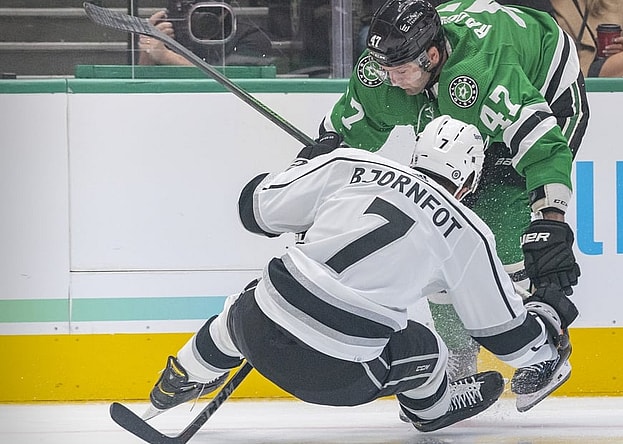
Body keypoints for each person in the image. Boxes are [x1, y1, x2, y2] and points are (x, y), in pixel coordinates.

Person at [141, 116, 578, 434]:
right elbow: (504, 335)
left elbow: (253, 210)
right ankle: (433, 408)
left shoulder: (348, 165)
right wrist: (547, 322)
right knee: (428, 349)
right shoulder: (467, 230)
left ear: (414, 154)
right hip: (338, 378)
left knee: (241, 309)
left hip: (255, 333)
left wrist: (301, 169)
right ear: (469, 181)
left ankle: (179, 376)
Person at [318, 0, 586, 413]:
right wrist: (312, 168)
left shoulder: (483, 73)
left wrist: (550, 222)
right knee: (437, 232)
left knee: (505, 221)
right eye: (384, 68)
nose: (390, 80)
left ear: (432, 55)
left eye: (402, 70)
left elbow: (543, 149)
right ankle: (458, 358)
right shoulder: (384, 69)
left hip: (545, 86)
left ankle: (546, 348)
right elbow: (344, 136)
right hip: (462, 100)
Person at [138, 1, 276, 67]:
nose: (187, 18)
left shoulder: (250, 38)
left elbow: (231, 86)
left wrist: (168, 57)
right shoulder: (170, 35)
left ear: (224, 9)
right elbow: (141, 86)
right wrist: (148, 49)